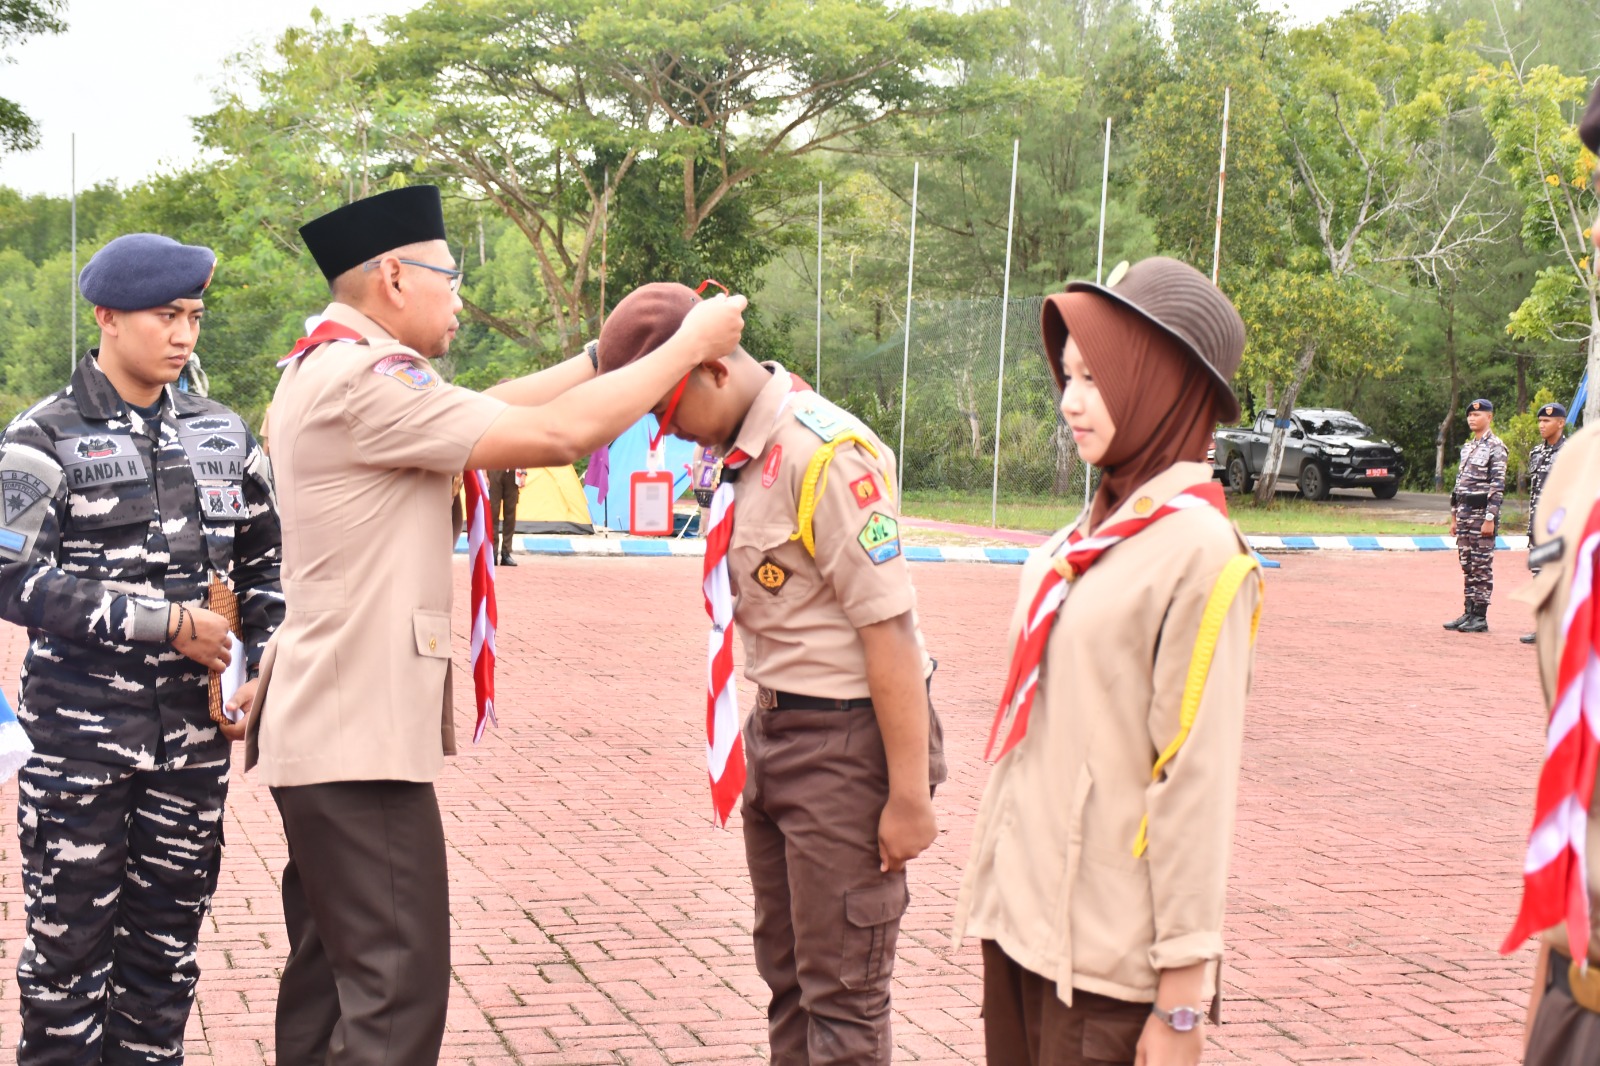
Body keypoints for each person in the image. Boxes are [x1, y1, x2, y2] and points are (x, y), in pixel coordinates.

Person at [245, 186, 748, 1065]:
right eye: (451, 276)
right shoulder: (365, 378)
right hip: (356, 740)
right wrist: (691, 348)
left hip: (331, 727)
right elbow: (552, 436)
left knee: (332, 991)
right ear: (394, 278)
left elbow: (497, 405)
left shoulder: (332, 368)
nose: (458, 297)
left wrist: (603, 357)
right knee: (395, 1000)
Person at [595, 281, 945, 1065]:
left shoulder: (826, 451)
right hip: (781, 734)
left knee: (843, 995)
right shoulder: (745, 454)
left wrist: (909, 796)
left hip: (846, 746)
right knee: (787, 978)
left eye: (667, 411)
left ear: (715, 369)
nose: (671, 435)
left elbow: (889, 634)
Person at [952, 257, 1262, 1066]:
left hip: (1105, 972)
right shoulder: (1086, 534)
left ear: (1160, 384)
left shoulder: (1201, 555)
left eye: (1096, 377)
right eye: (1067, 375)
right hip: (1020, 934)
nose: (1069, 402)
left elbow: (1194, 784)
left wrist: (1184, 1002)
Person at [0, 233, 284, 1063]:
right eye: (166, 316)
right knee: (66, 963)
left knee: (166, 959)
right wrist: (162, 622)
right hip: (80, 751)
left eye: (193, 316)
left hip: (190, 751)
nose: (184, 334)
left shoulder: (223, 433)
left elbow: (269, 565)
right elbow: (8, 577)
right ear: (108, 318)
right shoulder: (41, 437)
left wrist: (262, 664)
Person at [1443, 399, 1507, 634]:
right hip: (1464, 513)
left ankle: (1480, 615)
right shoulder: (1468, 448)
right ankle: (1469, 611)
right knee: (1467, 564)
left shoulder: (1496, 447)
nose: (1472, 418)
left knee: (1481, 566)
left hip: (1482, 515)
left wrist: (1490, 517)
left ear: (1489, 417)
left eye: (1477, 415)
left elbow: (1497, 485)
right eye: (1469, 414)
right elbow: (1458, 484)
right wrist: (1454, 516)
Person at [1521, 401, 1567, 644]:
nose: (1542, 425)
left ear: (1560, 423)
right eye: (1540, 420)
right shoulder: (1536, 453)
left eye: (1547, 421)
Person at [487, 465, 523, 564]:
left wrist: (523, 473)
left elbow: (523, 451)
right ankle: (492, 552)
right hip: (494, 469)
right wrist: (484, 474)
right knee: (492, 512)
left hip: (513, 470)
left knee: (510, 513)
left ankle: (506, 553)